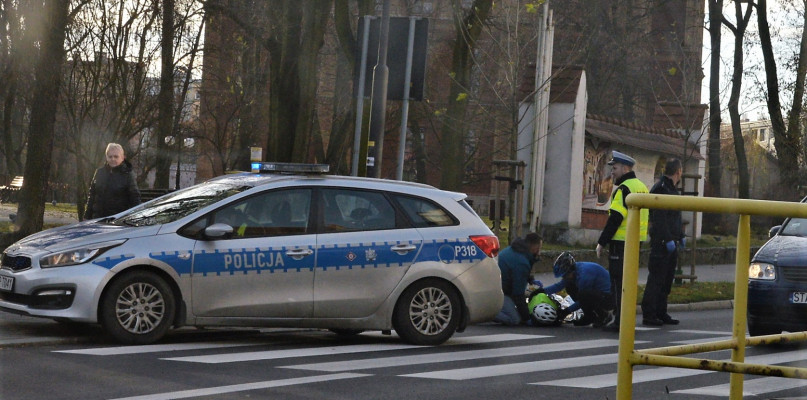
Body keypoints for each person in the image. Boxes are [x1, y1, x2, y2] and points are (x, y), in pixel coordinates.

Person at [595, 150, 648, 331]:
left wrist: (602, 242)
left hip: (620, 243)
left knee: (618, 283)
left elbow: (615, 218)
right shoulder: (641, 187)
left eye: (615, 168)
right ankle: (628, 319)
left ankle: (619, 321)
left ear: (625, 168)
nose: (612, 172)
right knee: (629, 282)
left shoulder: (623, 189)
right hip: (637, 242)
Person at [641, 158, 685, 326]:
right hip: (661, 242)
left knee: (666, 279)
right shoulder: (661, 188)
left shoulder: (671, 189)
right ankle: (649, 314)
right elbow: (659, 219)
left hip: (671, 240)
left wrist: (680, 235)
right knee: (656, 279)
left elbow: (675, 217)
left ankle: (661, 311)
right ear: (678, 172)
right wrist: (667, 239)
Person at [537, 252, 615, 328]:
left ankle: (603, 315)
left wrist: (566, 311)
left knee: (583, 294)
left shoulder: (584, 276)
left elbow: (583, 300)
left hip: (609, 298)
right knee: (570, 287)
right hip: (598, 293)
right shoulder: (574, 271)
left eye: (565, 275)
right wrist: (541, 291)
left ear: (571, 270)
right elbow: (559, 286)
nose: (564, 278)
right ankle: (591, 316)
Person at [494, 232, 543, 326]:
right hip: (499, 292)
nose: (539, 251)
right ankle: (486, 313)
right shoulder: (522, 262)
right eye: (538, 248)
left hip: (498, 287)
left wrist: (529, 279)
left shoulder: (516, 249)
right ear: (533, 247)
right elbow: (518, 294)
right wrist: (527, 318)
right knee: (515, 319)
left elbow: (513, 272)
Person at [84, 143, 141, 220]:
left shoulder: (127, 175)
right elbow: (92, 195)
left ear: (122, 158)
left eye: (116, 156)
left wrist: (135, 218)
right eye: (110, 156)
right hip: (97, 218)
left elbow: (135, 197)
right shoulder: (99, 173)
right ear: (106, 157)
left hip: (118, 219)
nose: (113, 159)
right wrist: (87, 215)